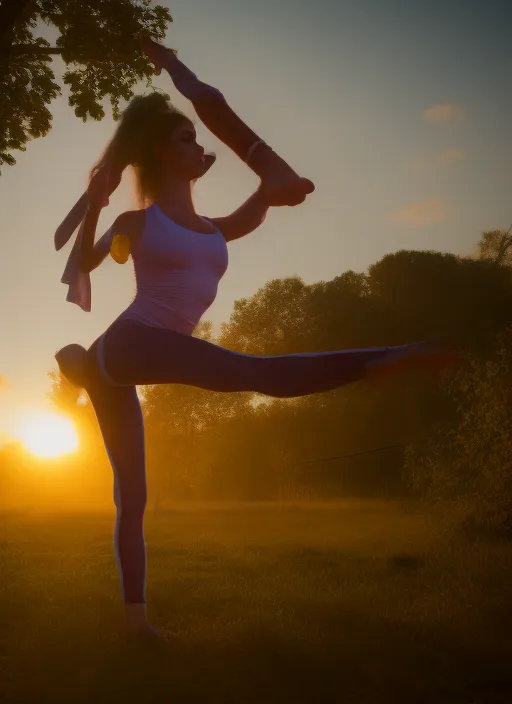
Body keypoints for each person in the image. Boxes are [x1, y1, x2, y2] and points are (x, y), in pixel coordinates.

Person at [54, 38, 457, 640]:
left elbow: (250, 212)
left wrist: (277, 191)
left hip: (137, 360)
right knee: (253, 374)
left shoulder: (215, 230)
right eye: (186, 139)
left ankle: (135, 624)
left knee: (132, 497)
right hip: (134, 342)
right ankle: (385, 359)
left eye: (197, 137)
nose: (200, 146)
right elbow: (84, 260)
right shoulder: (137, 224)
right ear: (161, 153)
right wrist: (96, 199)